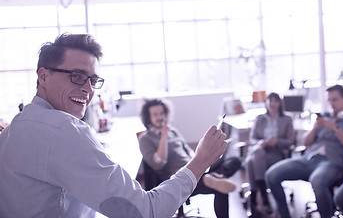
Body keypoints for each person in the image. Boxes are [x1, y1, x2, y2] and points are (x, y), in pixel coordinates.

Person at [0, 33, 228, 218]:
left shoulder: (15, 128)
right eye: (77, 76)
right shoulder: (63, 129)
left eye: (93, 80)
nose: (88, 89)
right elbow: (146, 212)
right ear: (43, 76)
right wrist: (200, 162)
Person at [266, 85, 343, 218]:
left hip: (333, 162)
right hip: (309, 159)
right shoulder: (326, 117)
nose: (332, 104)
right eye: (329, 100)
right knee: (271, 174)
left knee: (317, 180)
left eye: (335, 100)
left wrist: (335, 129)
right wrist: (315, 128)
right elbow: (305, 142)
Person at [138, 98, 237, 218]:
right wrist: (164, 137)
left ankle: (214, 176)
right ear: (148, 117)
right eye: (155, 114)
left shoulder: (173, 131)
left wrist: (199, 157)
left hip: (193, 166)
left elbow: (187, 150)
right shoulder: (145, 139)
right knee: (222, 188)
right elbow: (159, 164)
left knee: (234, 161)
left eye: (162, 113)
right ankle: (210, 177)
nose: (160, 117)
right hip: (179, 177)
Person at [245, 92, 294, 216]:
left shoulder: (287, 119)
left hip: (276, 152)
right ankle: (264, 198)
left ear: (279, 103)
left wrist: (277, 141)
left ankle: (254, 200)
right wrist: (260, 142)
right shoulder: (260, 118)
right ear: (266, 103)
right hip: (260, 150)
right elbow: (252, 139)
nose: (272, 104)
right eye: (270, 101)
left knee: (251, 162)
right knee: (256, 154)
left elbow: (290, 141)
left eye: (275, 101)